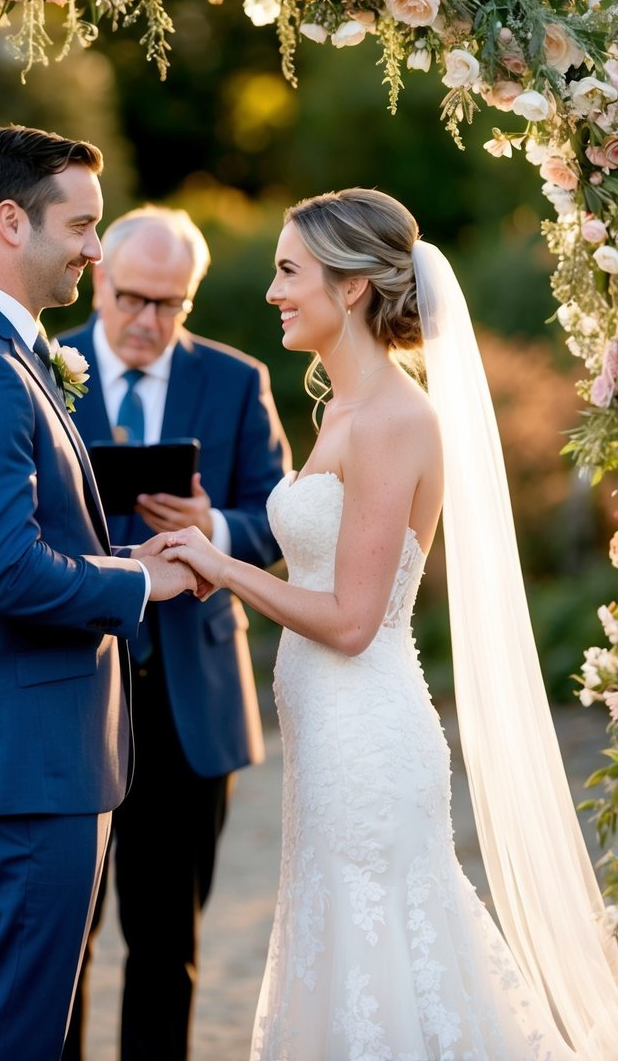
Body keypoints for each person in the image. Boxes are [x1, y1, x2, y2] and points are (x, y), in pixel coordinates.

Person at [160, 188, 618, 1059]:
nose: (272, 293)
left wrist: (223, 568)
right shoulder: (339, 409)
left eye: (289, 271)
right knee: (348, 952)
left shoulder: (393, 420)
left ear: (352, 287)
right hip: (330, 741)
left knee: (386, 956)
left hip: (367, 739)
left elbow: (351, 620)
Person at [0, 126, 203, 1061]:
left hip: (35, 757)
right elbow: (3, 573)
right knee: (16, 1036)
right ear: (11, 221)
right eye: (82, 225)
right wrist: (137, 580)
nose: (95, 250)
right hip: (23, 764)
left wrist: (127, 549)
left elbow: (33, 540)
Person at [57, 205, 290, 1061]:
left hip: (190, 703)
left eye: (170, 303)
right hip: (72, 692)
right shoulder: (40, 371)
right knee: (60, 946)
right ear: (98, 280)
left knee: (168, 947)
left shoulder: (235, 381)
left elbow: (282, 519)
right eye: (132, 299)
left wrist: (215, 529)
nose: (149, 321)